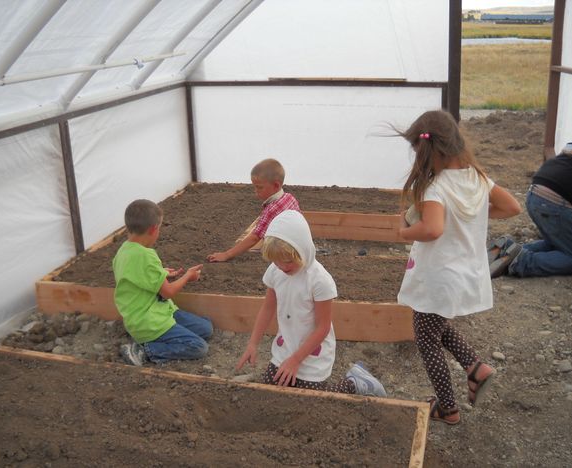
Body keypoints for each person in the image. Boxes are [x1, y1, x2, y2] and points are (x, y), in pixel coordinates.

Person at [395, 110, 521, 425]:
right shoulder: (478, 178)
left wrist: (404, 231)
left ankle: (448, 408)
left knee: (426, 337)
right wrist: (473, 214)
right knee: (433, 325)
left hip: (440, 276)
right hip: (466, 274)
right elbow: (512, 207)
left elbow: (433, 230)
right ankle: (475, 369)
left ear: (428, 150)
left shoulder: (437, 188)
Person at [235, 210, 386, 397]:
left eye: (288, 261)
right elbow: (267, 308)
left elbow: (323, 327)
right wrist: (253, 344)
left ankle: (352, 383)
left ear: (303, 249)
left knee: (310, 399)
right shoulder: (276, 271)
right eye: (276, 262)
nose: (283, 267)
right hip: (287, 348)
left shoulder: (319, 280)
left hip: (313, 353)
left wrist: (296, 360)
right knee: (271, 393)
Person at [113, 199, 213, 366]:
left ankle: (156, 338)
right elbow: (168, 292)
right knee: (199, 347)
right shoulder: (146, 256)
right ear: (153, 229)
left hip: (152, 314)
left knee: (206, 328)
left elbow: (134, 276)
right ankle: (145, 351)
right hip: (150, 322)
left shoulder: (124, 251)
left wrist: (161, 273)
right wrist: (188, 276)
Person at [489, 142, 572, 278]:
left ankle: (506, 251)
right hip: (554, 203)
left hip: (534, 194)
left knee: (559, 243)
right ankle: (521, 262)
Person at [207, 158, 300, 262]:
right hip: (298, 245)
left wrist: (227, 254)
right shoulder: (290, 198)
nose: (256, 191)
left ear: (276, 185)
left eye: (259, 187)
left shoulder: (271, 209)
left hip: (284, 253)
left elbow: (255, 237)